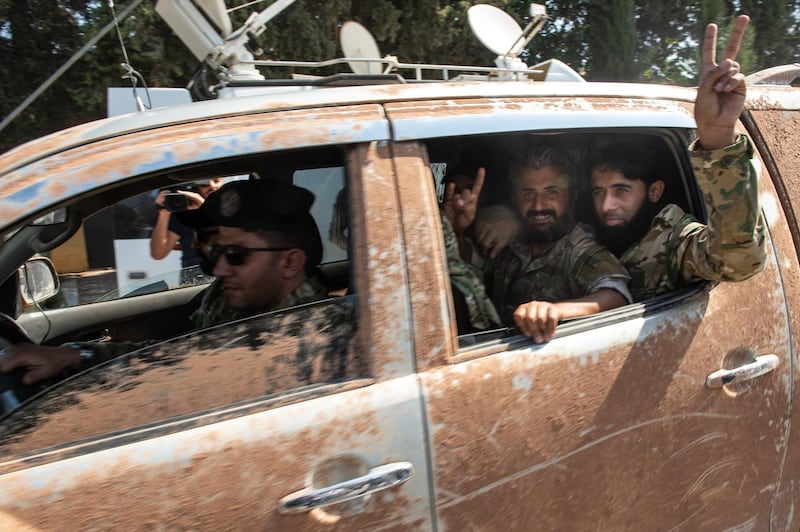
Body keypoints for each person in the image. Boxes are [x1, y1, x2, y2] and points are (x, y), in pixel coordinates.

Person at [0, 179, 329, 385]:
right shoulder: (244, 296)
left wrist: (78, 360)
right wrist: (75, 357)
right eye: (216, 250)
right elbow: (181, 354)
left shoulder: (308, 332)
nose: (218, 268)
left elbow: (188, 372)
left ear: (290, 262)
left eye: (236, 254)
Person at [588, 14, 766, 301]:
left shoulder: (673, 241)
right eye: (598, 192)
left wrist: (718, 136)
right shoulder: (592, 233)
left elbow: (740, 261)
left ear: (654, 191)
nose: (606, 205)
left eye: (621, 190)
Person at [483, 144, 631, 344]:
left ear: (571, 195)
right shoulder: (511, 240)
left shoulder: (580, 249)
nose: (538, 205)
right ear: (514, 198)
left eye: (551, 192)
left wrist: (554, 311)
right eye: (528, 194)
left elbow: (616, 296)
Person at [150, 178, 223, 273]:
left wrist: (205, 211)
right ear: (196, 186)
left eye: (216, 181)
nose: (212, 186)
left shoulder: (230, 209)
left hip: (220, 273)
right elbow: (158, 254)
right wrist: (163, 212)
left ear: (223, 181)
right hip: (192, 279)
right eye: (204, 184)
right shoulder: (184, 214)